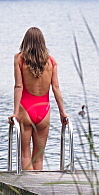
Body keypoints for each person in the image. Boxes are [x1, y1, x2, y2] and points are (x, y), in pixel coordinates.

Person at [10, 27, 68, 171]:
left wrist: (15, 112)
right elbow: (56, 88)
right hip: (44, 111)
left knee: (25, 155)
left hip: (26, 109)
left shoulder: (19, 59)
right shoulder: (51, 62)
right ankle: (38, 187)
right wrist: (63, 112)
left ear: (26, 42)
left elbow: (18, 86)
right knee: (38, 157)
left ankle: (28, 189)